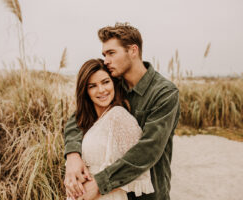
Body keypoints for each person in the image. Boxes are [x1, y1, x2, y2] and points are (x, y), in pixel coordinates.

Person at [64, 23, 180, 200]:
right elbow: (79, 117)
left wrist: (100, 183)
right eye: (104, 55)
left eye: (111, 53)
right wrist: (72, 155)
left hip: (148, 193)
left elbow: (149, 148)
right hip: (114, 194)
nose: (106, 61)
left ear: (133, 51)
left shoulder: (164, 93)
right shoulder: (113, 84)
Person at [66, 58, 154, 200]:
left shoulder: (119, 116)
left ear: (114, 83)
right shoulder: (86, 121)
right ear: (85, 91)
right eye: (92, 86)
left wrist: (99, 186)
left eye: (105, 82)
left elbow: (138, 167)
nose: (101, 90)